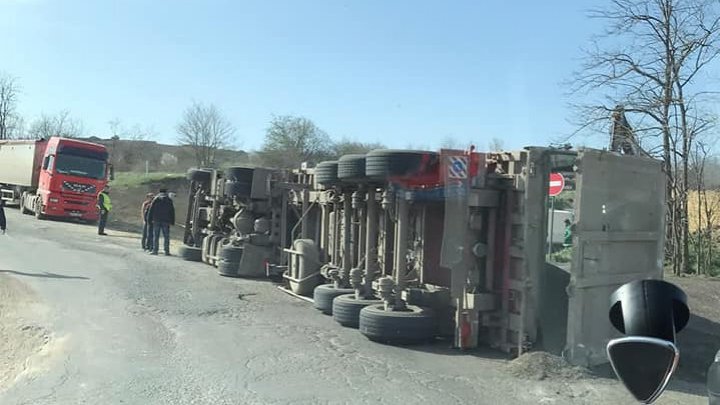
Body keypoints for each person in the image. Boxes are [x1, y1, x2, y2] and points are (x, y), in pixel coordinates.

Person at [148, 188, 175, 256]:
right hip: (166, 220)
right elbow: (172, 211)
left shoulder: (156, 199)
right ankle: (166, 251)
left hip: (156, 220)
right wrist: (172, 221)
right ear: (166, 192)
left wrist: (149, 220)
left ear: (159, 192)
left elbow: (151, 210)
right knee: (166, 236)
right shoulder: (169, 200)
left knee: (156, 236)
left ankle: (155, 250)